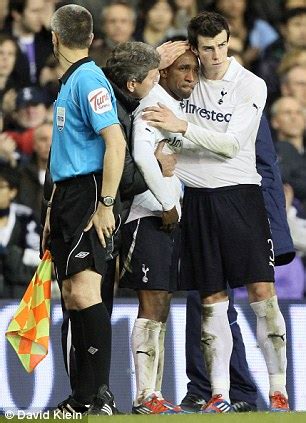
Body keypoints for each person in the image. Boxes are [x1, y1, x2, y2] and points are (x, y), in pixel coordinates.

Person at [143, 11, 290, 412]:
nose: (215, 55)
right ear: (194, 47)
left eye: (221, 46)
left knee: (262, 293)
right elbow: (143, 104)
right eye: (207, 48)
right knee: (211, 301)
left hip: (241, 197)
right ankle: (219, 394)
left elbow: (229, 145)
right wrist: (155, 65)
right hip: (199, 201)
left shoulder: (250, 84)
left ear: (229, 41)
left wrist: (181, 130)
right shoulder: (184, 84)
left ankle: (279, 390)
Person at [41, 4, 126, 416]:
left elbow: (115, 141)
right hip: (67, 198)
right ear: (90, 37)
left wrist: (105, 203)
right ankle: (86, 396)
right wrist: (51, 209)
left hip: (88, 192)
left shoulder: (89, 79)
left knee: (86, 291)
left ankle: (96, 396)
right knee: (73, 295)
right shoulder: (73, 81)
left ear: (54, 37)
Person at [180, 114, 295, 412]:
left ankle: (262, 389)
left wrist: (278, 233)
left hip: (245, 207)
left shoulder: (247, 94)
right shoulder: (187, 94)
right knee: (204, 298)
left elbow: (266, 165)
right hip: (193, 206)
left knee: (260, 296)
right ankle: (214, 389)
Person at [0, 164, 40, 298]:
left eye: (0, 187)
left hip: (18, 292)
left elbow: (36, 260)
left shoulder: (25, 217)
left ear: (13, 191)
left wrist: (11, 256)